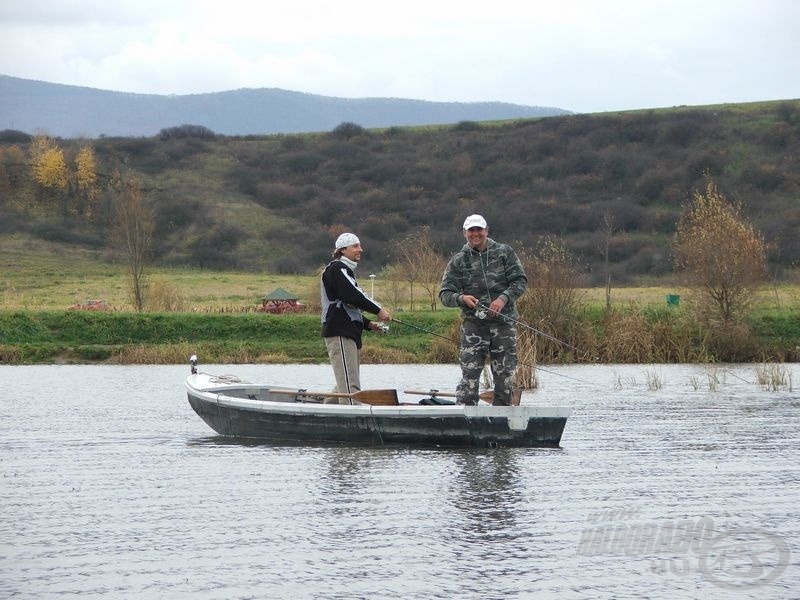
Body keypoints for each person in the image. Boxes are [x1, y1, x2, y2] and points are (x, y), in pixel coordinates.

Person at [439, 214, 528, 406]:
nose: (475, 234)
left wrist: (503, 299)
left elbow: (520, 281)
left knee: (504, 376)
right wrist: (461, 298)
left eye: (479, 229)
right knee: (469, 377)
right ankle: (466, 418)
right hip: (474, 326)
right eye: (471, 230)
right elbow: (445, 294)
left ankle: (502, 419)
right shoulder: (458, 261)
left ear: (486, 230)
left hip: (503, 324)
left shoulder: (505, 252)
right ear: (465, 233)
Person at [321, 232, 391, 403]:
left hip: (347, 331)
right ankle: (354, 422)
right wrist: (378, 310)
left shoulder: (344, 271)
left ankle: (325, 410)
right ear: (343, 250)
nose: (360, 249)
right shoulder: (338, 268)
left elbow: (347, 306)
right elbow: (353, 295)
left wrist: (368, 324)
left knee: (344, 382)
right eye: (355, 246)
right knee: (350, 386)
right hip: (340, 332)